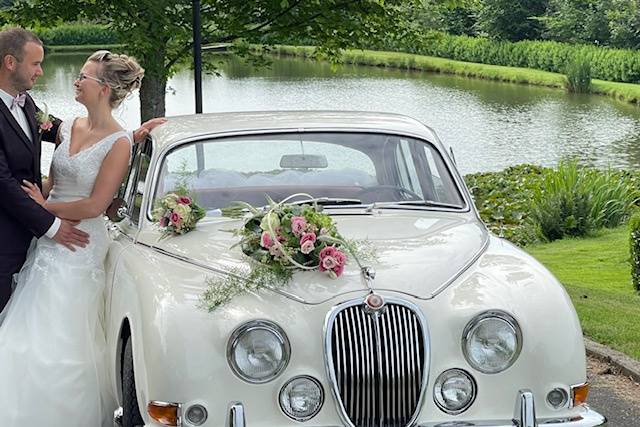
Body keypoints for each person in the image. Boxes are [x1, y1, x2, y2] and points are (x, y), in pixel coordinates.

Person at [0, 49, 149, 425]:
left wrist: (42, 207)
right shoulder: (67, 127)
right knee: (31, 325)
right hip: (49, 240)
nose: (75, 80)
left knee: (68, 330)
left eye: (83, 76)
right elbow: (56, 181)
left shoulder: (119, 143)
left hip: (80, 242)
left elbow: (97, 204)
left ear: (103, 88)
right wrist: (44, 197)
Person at [0, 28, 162, 313]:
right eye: (35, 63)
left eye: (82, 77)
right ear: (10, 63)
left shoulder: (26, 104)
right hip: (24, 236)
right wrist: (49, 221)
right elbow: (4, 184)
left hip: (71, 240)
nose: (41, 71)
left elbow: (64, 130)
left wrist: (126, 137)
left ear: (103, 89)